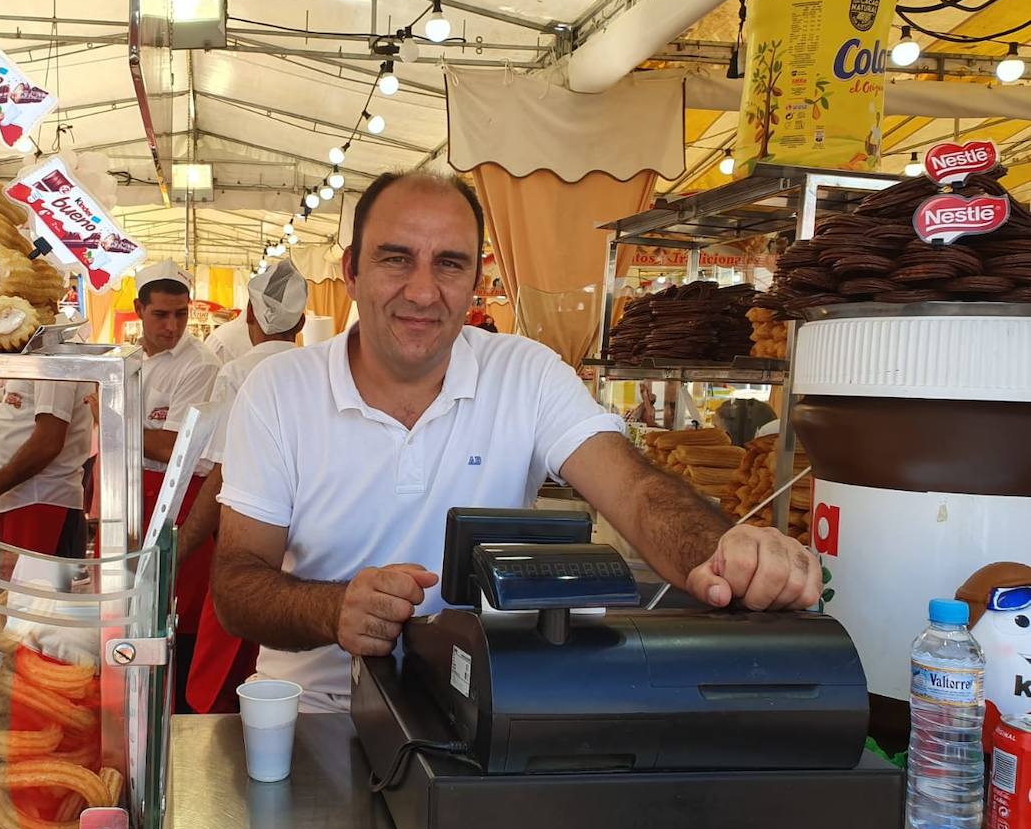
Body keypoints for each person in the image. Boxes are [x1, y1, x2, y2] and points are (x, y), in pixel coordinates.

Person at [212, 171, 823, 713]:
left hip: (482, 701)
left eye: (449, 263)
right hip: (316, 712)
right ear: (351, 271)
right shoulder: (278, 390)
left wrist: (725, 553)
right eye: (396, 259)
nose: (423, 292)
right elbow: (236, 585)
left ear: (477, 279)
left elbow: (634, 491)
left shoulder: (525, 373)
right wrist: (334, 608)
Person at [177, 259, 309, 713]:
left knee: (223, 667)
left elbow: (222, 474)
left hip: (248, 542)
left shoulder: (238, 373)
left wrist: (178, 549)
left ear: (249, 315)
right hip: (304, 548)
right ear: (303, 322)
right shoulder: (319, 373)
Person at [134, 259, 221, 712]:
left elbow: (179, 449)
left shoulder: (199, 365)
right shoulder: (132, 360)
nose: (172, 326)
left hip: (180, 505)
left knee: (177, 617)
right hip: (135, 499)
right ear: (139, 311)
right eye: (161, 315)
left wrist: (112, 423)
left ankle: (179, 717)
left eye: (181, 314)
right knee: (137, 613)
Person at [0, 380, 93, 557]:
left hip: (40, 501)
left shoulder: (54, 369)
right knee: (22, 583)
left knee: (34, 583)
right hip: (25, 500)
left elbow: (48, 442)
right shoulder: (39, 362)